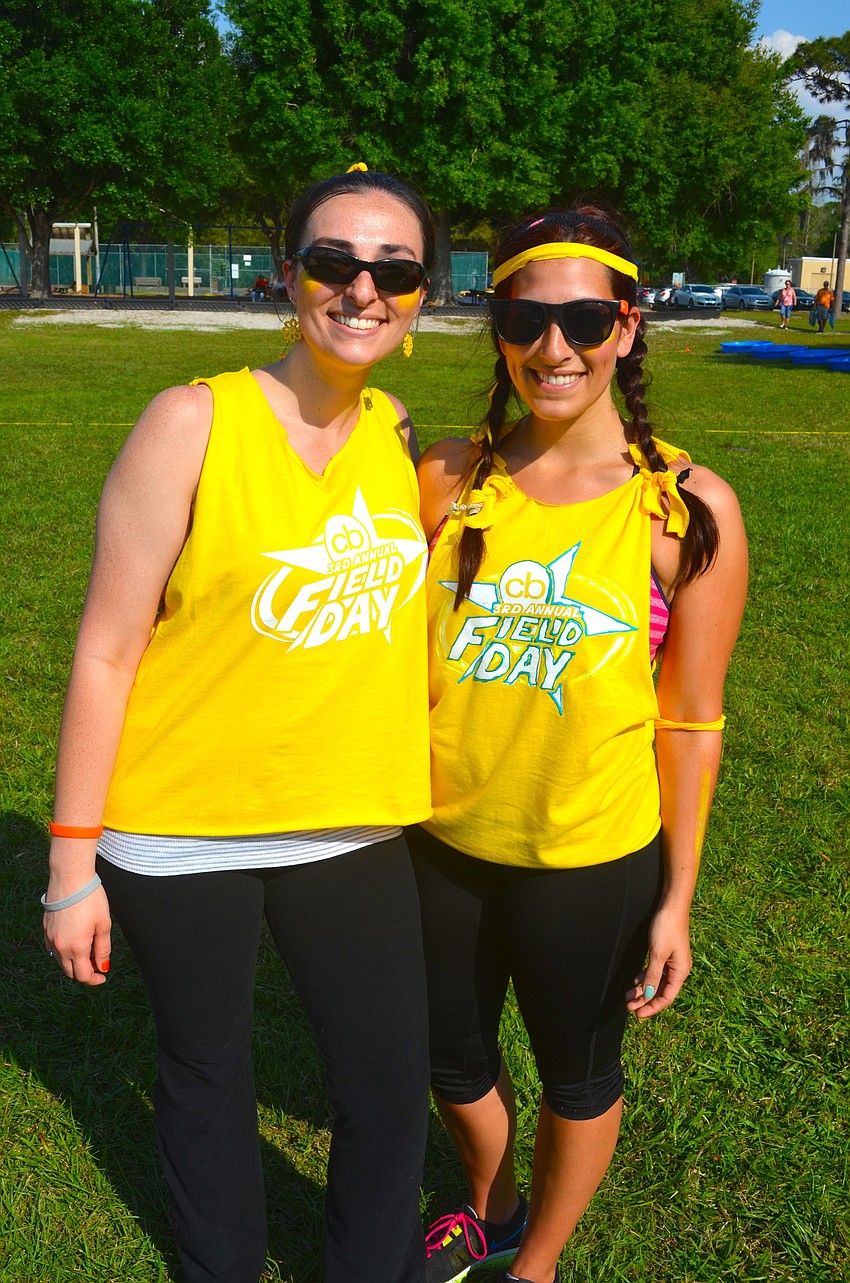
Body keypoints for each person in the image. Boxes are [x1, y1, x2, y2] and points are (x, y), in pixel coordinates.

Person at [42, 166, 435, 1283]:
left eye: (394, 270)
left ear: (420, 298)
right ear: (287, 276)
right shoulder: (191, 421)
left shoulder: (393, 432)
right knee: (205, 1074)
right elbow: (106, 649)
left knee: (381, 1082)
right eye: (334, 263)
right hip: (180, 824)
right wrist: (71, 863)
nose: (363, 289)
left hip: (353, 820)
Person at [409, 203, 748, 1283]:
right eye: (524, 316)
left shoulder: (683, 509)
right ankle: (493, 1201)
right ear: (497, 324)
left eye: (583, 319)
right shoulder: (447, 480)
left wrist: (676, 895)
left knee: (576, 1075)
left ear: (627, 326)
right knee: (450, 1061)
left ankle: (536, 1262)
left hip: (592, 856)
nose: (553, 348)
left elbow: (693, 719)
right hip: (437, 840)